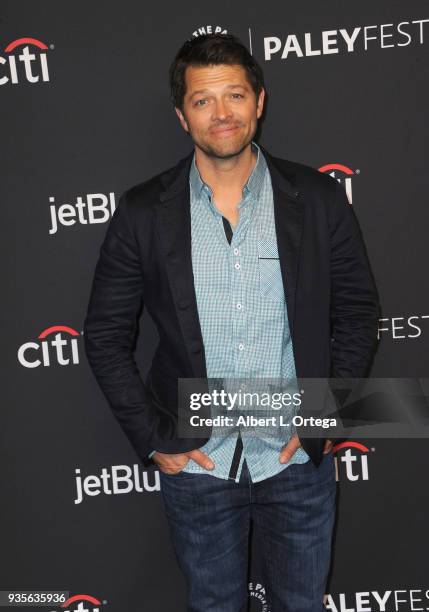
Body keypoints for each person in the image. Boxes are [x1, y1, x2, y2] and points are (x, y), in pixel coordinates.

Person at [84, 33, 380, 612]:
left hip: (295, 459)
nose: (222, 114)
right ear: (181, 115)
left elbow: (358, 311)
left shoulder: (317, 199)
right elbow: (104, 336)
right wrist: (153, 437)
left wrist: (325, 414)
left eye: (235, 95)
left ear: (259, 101)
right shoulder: (144, 212)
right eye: (203, 100)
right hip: (200, 465)